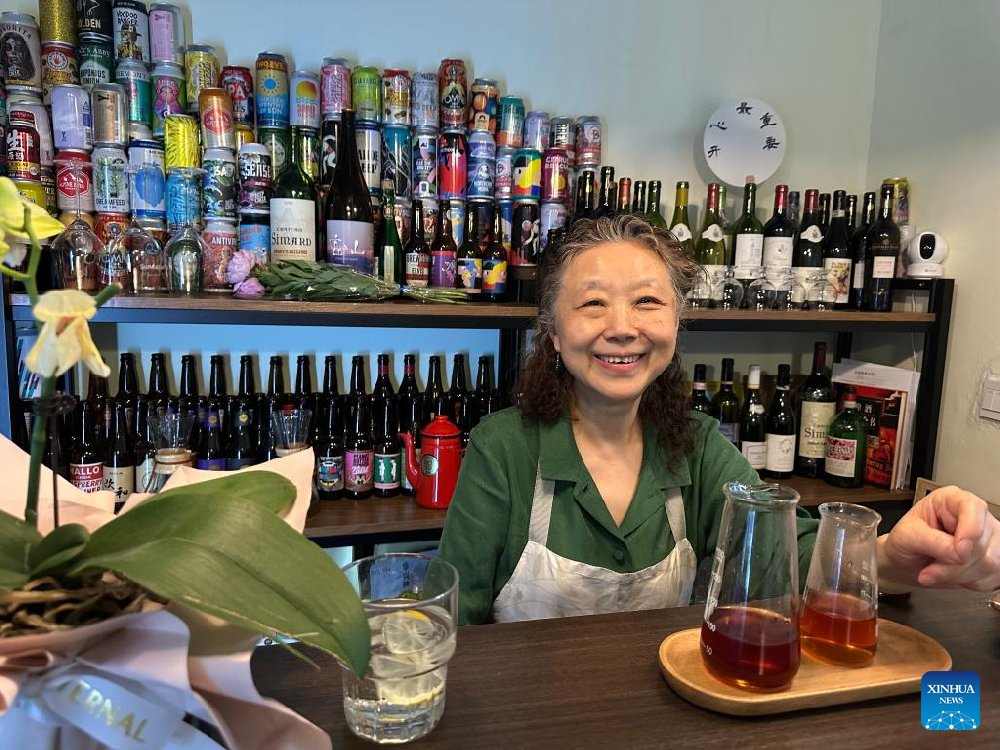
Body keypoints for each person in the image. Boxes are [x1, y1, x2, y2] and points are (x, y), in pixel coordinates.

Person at [437, 214, 1000, 625]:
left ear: (677, 325)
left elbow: (793, 555)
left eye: (648, 302)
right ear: (555, 335)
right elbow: (450, 613)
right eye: (592, 304)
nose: (622, 326)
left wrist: (897, 554)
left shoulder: (699, 446)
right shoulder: (503, 448)